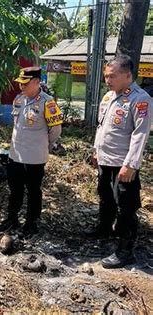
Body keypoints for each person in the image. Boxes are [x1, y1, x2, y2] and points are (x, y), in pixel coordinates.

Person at [88, 55, 152, 269]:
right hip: (106, 160)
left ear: (128, 75)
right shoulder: (108, 97)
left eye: (112, 76)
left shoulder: (140, 99)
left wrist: (131, 165)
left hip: (123, 165)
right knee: (106, 198)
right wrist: (96, 152)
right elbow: (101, 127)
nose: (108, 80)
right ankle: (104, 229)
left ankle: (125, 251)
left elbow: (140, 134)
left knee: (126, 206)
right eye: (106, 76)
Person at [0, 66, 63, 237]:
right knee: (14, 189)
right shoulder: (19, 99)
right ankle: (12, 218)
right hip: (16, 154)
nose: (21, 87)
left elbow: (55, 130)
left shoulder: (47, 103)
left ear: (36, 82)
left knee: (33, 191)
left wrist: (44, 146)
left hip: (35, 156)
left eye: (25, 84)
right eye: (20, 83)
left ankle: (31, 223)